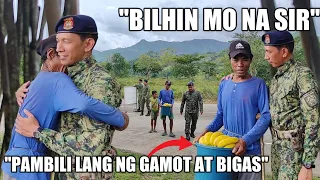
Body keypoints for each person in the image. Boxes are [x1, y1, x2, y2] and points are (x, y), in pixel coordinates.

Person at [14, 15, 126, 180]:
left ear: (88, 44)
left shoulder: (99, 82)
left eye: (66, 41)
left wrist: (38, 133)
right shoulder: (64, 75)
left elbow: (91, 146)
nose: (59, 48)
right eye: (58, 40)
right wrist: (24, 93)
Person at [194, 40, 271, 180]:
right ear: (230, 59)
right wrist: (207, 130)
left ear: (251, 60)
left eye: (245, 59)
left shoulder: (259, 84)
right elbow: (220, 115)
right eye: (236, 59)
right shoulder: (224, 84)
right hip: (226, 148)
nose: (240, 64)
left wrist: (245, 140)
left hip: (250, 152)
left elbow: (265, 117)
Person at [262, 30, 320, 180]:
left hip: (294, 151)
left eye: (269, 51)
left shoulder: (302, 75)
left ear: (284, 52)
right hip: (277, 149)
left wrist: (307, 165)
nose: (266, 57)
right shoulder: (276, 78)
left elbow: (313, 120)